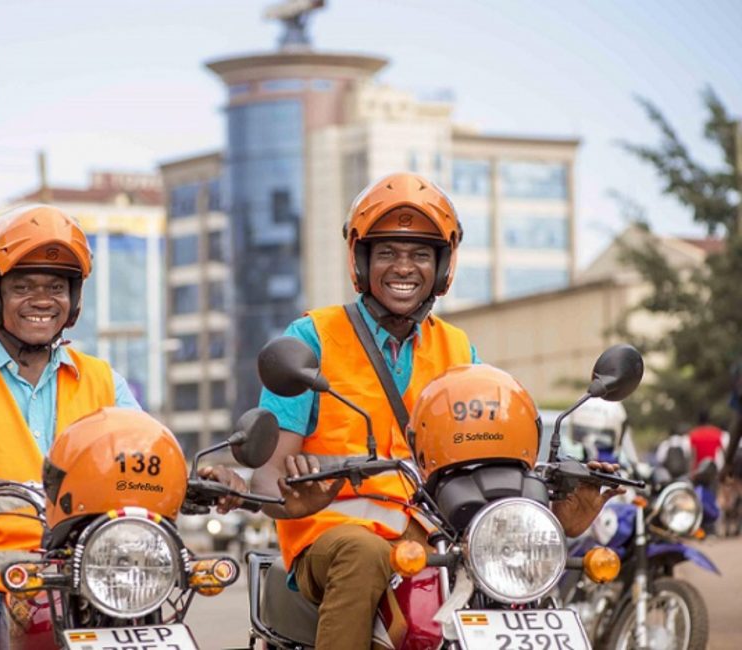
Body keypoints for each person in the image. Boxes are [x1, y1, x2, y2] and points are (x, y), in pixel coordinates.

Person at [251, 173, 620, 649]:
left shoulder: (458, 348)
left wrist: (558, 506)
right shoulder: (312, 338)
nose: (403, 267)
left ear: (442, 265)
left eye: (420, 253)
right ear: (361, 260)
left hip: (437, 542)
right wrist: (291, 496)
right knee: (363, 553)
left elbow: (497, 460)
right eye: (387, 252)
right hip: (334, 539)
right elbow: (267, 477)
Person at [0, 204, 241, 649]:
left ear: (73, 299)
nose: (42, 299)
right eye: (23, 286)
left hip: (95, 572)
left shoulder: (102, 380)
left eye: (56, 286)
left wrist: (198, 481)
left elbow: (147, 452)